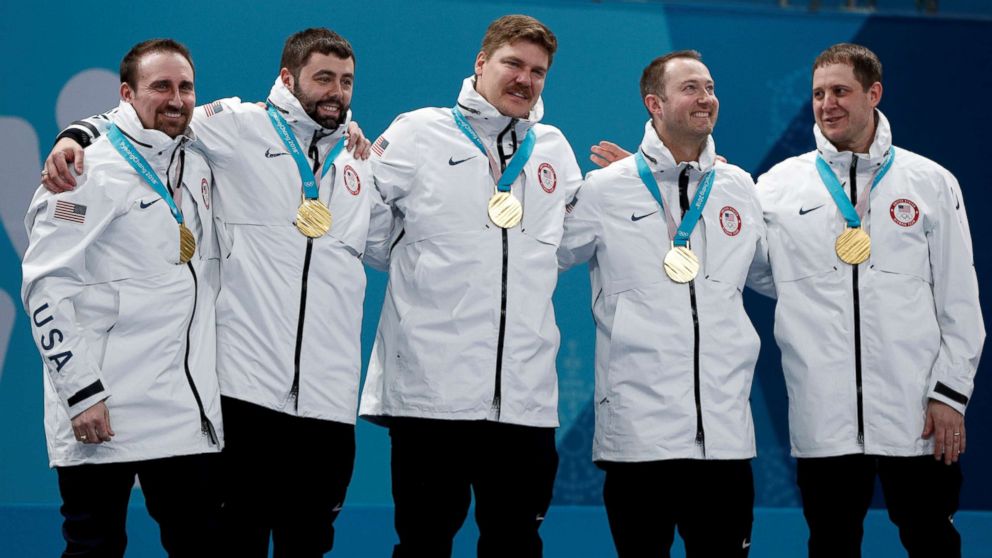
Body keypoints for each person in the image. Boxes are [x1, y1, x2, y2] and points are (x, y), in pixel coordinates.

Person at [42, 28, 385, 557]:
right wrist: (76, 133)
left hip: (322, 404)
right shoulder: (235, 129)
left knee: (303, 546)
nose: (335, 91)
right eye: (322, 78)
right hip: (245, 397)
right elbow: (142, 122)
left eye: (345, 81)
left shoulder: (357, 160)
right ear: (288, 79)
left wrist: (354, 136)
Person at [358, 14, 581, 558]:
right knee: (424, 543)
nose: (525, 79)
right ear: (481, 64)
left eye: (538, 71)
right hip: (434, 395)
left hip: (525, 399)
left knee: (517, 543)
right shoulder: (418, 131)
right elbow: (362, 221)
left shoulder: (554, 148)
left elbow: (573, 240)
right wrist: (421, 260)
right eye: (513, 64)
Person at [751, 43, 984, 558]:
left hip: (917, 412)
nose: (827, 104)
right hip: (824, 415)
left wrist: (950, 395)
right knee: (831, 544)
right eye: (817, 94)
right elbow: (757, 271)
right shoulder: (777, 187)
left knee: (933, 541)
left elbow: (960, 301)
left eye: (840, 91)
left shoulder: (930, 181)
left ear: (873, 93)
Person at [558, 50, 764, 557]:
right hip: (639, 438)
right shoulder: (605, 190)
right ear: (655, 103)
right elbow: (540, 253)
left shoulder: (739, 188)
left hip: (725, 440)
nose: (706, 98)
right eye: (691, 88)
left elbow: (778, 275)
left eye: (710, 87)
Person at [22, 38, 223, 557]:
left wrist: (351, 129)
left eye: (185, 87)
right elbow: (45, 287)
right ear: (127, 95)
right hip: (103, 410)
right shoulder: (86, 168)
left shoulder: (197, 159)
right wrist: (82, 392)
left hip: (182, 410)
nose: (176, 98)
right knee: (95, 548)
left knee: (201, 545)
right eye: (160, 86)